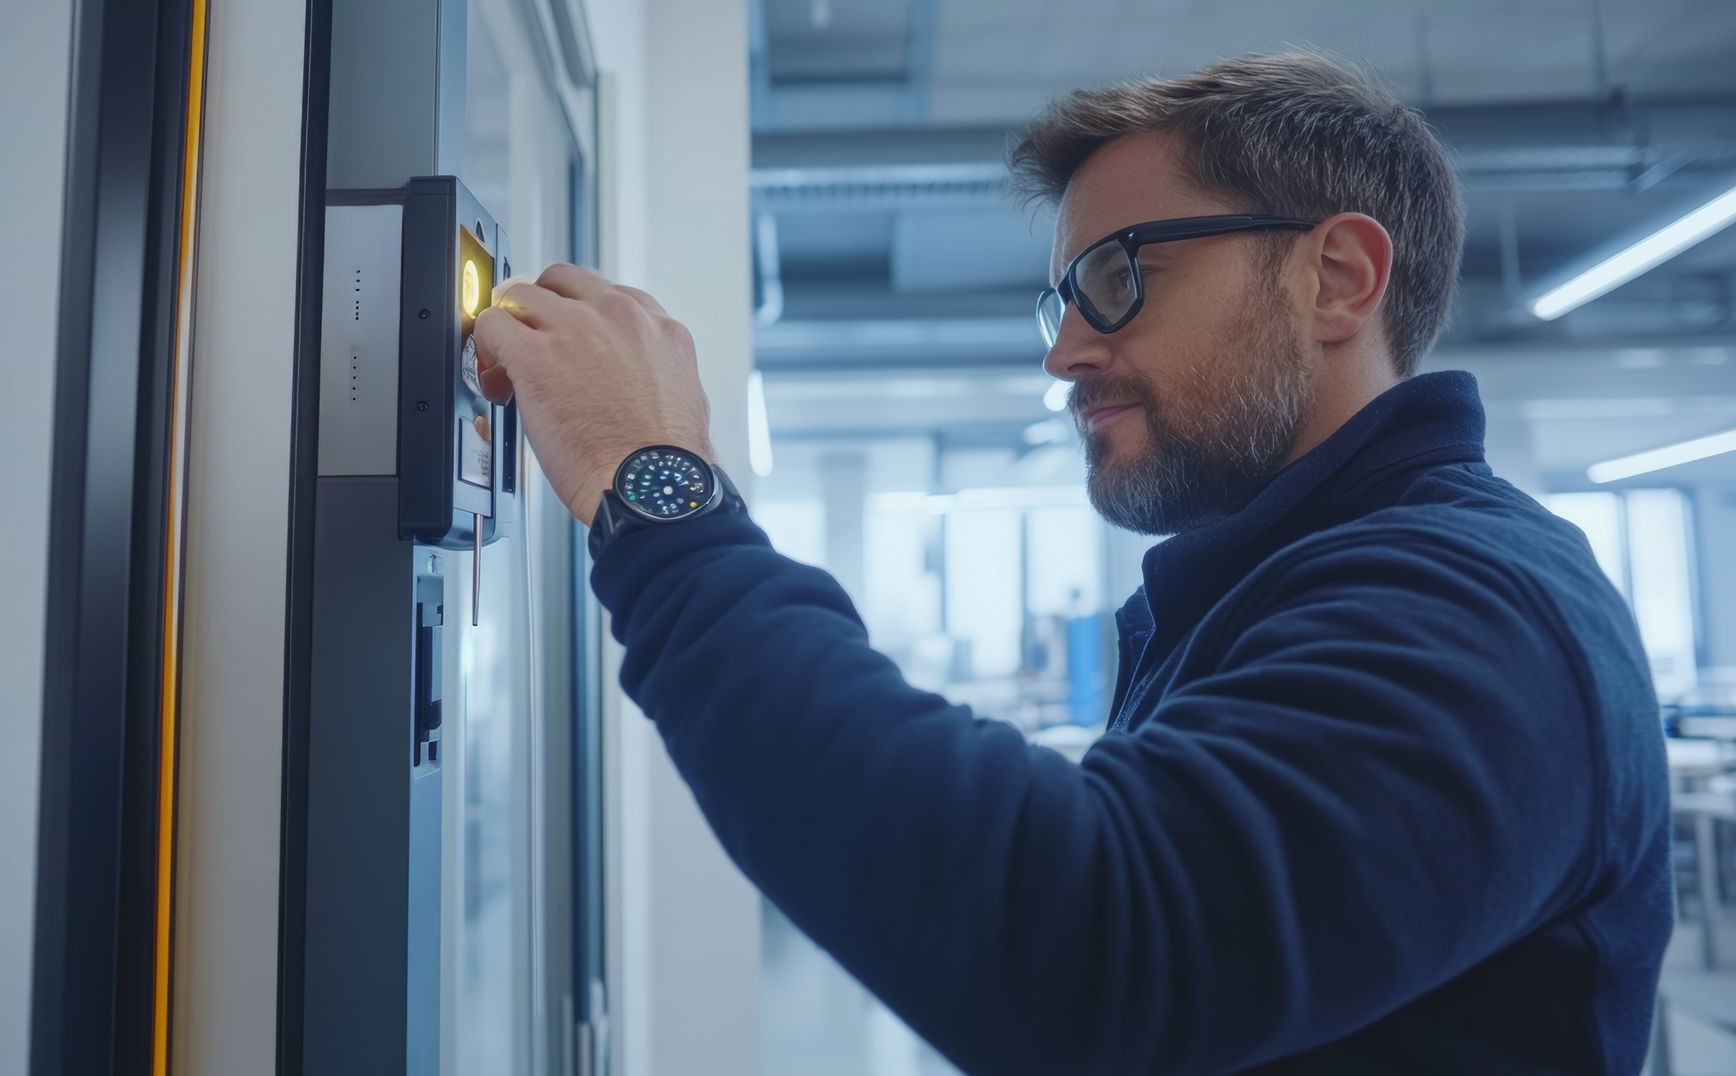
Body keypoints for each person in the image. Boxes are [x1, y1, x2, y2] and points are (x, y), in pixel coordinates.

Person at [472, 50, 1672, 1076]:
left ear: (1338, 277)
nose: (1069, 354)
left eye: (1119, 277)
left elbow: (1093, 945)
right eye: (1066, 301)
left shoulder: (1476, 606)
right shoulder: (1282, 588)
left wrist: (663, 496)